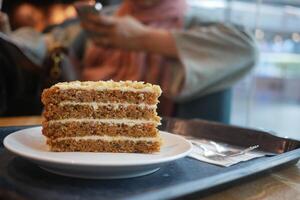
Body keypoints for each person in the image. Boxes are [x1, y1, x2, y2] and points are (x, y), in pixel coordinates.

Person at [0, 0, 257, 118]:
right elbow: (48, 42)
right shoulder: (105, 18)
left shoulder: (196, 20)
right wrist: (8, 39)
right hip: (82, 126)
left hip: (156, 144)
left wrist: (144, 39)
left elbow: (246, 49)